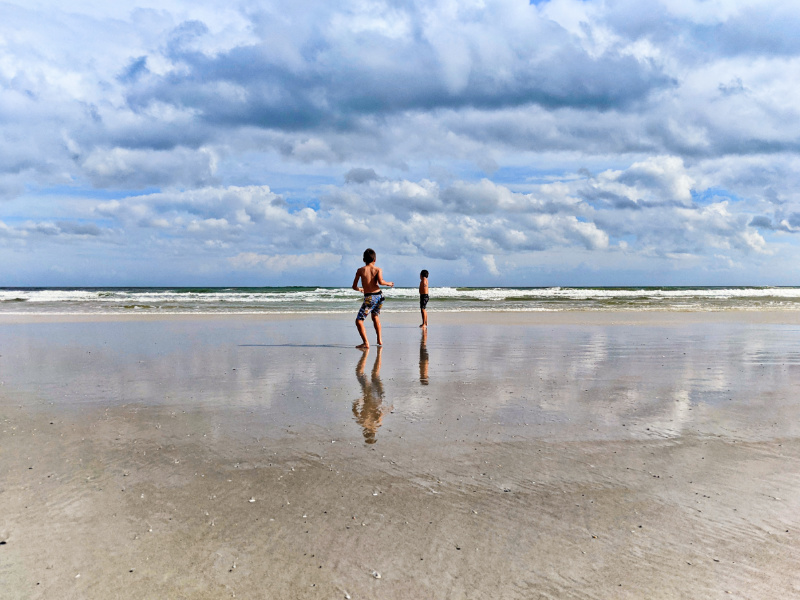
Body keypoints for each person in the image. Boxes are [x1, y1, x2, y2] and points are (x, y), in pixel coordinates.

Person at [352, 248, 394, 349]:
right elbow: (380, 282)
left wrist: (360, 289)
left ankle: (366, 343)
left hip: (370, 298)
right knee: (375, 316)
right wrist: (388, 283)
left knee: (359, 321)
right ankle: (379, 339)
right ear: (374, 259)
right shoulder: (378, 269)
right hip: (380, 296)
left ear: (363, 260)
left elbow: (354, 286)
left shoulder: (360, 270)